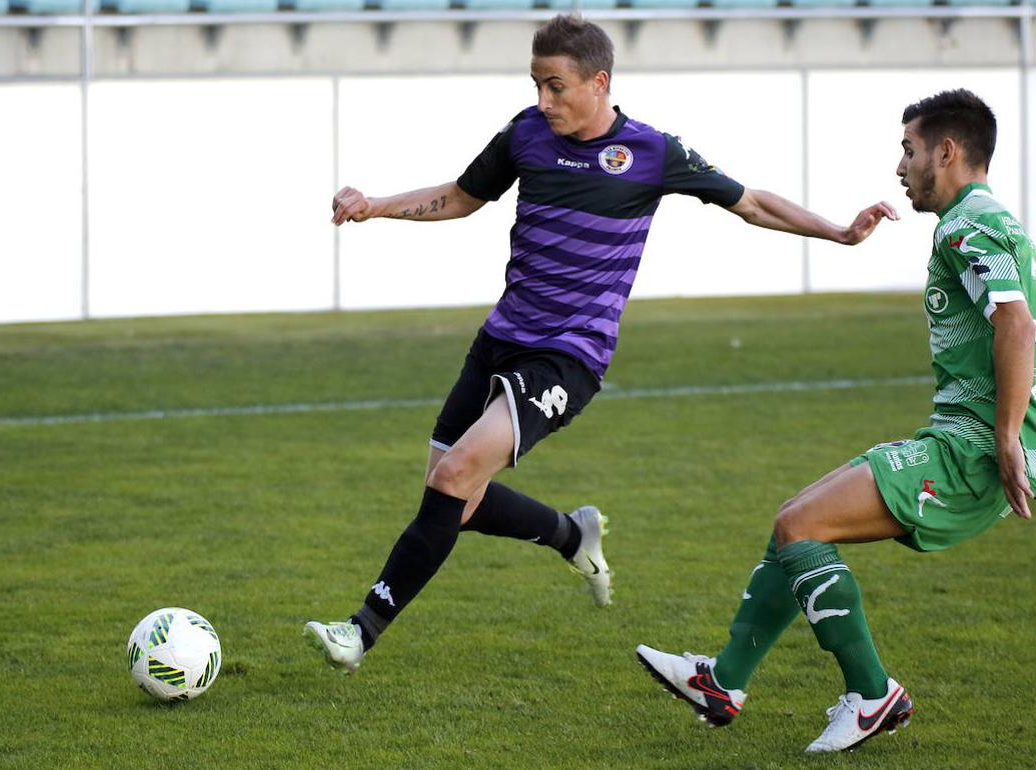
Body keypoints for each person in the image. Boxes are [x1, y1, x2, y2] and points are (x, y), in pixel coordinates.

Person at [303, 14, 897, 675]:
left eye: (555, 86)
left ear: (598, 82)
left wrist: (841, 233)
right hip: (499, 340)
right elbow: (461, 197)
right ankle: (570, 533)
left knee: (453, 477)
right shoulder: (526, 135)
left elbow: (751, 202)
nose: (543, 101)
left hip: (569, 356)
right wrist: (374, 204)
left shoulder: (652, 152)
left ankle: (360, 631)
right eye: (535, 85)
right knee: (453, 502)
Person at [635, 89, 1036, 753]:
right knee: (795, 520)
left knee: (800, 527)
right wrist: (1020, 440)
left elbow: (1012, 325)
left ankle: (872, 694)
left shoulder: (965, 229)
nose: (901, 167)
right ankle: (722, 682)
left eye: (909, 150)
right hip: (966, 445)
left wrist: (1003, 440)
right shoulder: (1015, 237)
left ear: (947, 153)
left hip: (970, 452)